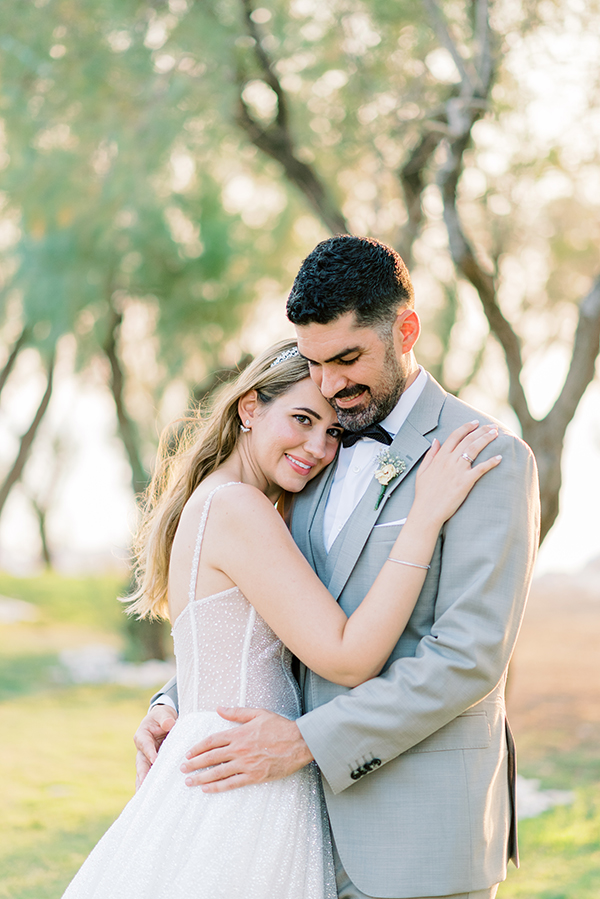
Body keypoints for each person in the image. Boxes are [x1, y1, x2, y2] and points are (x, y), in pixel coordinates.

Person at [139, 236, 540, 899]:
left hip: (419, 839)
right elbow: (272, 613)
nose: (329, 384)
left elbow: (467, 658)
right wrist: (176, 705)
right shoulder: (310, 457)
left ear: (405, 330)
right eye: (316, 362)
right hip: (294, 831)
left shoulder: (486, 458)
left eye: (348, 358)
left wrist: (307, 742)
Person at [62, 337, 499, 899]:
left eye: (334, 432)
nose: (318, 447)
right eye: (302, 419)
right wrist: (424, 518)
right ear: (249, 408)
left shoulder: (228, 501)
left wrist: (170, 701)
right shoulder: (238, 508)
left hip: (230, 758)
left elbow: (235, 645)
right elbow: (347, 657)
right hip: (248, 785)